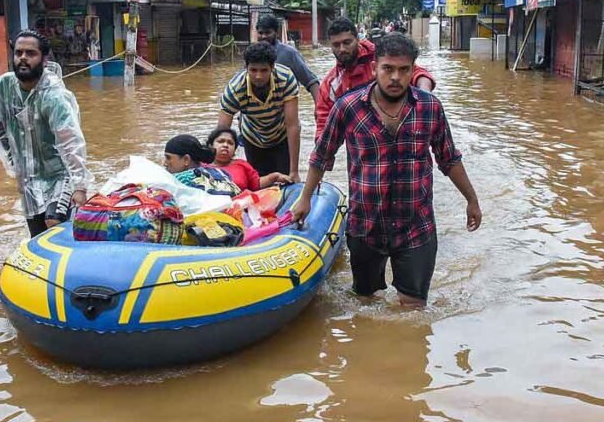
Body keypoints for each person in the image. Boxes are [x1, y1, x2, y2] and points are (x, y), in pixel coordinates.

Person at [292, 32, 482, 306]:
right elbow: (322, 155)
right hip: (366, 225)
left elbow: (448, 158)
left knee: (413, 310)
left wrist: (471, 199)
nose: (395, 77)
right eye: (388, 69)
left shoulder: (430, 109)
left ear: (413, 71)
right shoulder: (348, 108)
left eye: (403, 70)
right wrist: (305, 198)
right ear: (374, 69)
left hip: (416, 224)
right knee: (366, 302)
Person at [0, 29, 93, 238]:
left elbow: (70, 141)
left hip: (59, 175)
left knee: (54, 222)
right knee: (37, 236)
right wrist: (13, 163)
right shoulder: (3, 86)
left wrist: (80, 186)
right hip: (27, 177)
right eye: (18, 53)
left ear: (44, 59)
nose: (23, 58)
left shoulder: (54, 96)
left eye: (30, 53)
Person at [316, 20, 436, 140]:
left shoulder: (381, 55)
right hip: (364, 143)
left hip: (404, 131)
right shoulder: (332, 84)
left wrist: (424, 98)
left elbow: (417, 73)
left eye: (347, 42)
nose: (342, 49)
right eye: (336, 45)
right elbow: (323, 124)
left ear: (357, 39)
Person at [217, 41, 301, 182]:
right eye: (253, 70)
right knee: (257, 183)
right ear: (246, 68)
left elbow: (292, 125)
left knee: (285, 182)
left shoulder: (286, 79)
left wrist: (294, 171)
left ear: (272, 67)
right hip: (252, 139)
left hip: (281, 137)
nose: (258, 76)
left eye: (264, 70)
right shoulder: (235, 89)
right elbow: (221, 132)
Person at [206, 127, 292, 191]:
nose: (225, 145)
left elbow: (256, 184)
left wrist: (275, 176)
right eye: (221, 141)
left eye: (230, 143)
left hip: (241, 206)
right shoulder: (200, 166)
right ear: (211, 145)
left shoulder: (241, 164)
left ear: (234, 149)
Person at [255, 14, 320, 98]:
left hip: (286, 106)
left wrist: (319, 108)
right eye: (260, 33)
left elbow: (312, 82)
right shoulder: (253, 54)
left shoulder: (289, 53)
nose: (263, 36)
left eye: (268, 32)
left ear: (277, 33)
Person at [163, 134, 240, 196]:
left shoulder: (179, 182)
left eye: (168, 158)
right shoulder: (220, 172)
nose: (165, 163)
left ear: (186, 160)